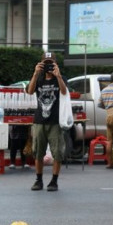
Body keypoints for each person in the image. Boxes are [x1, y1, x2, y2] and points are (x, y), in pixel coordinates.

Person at [26, 52, 68, 192]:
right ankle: (38, 180)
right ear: (41, 63)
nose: (48, 66)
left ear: (55, 64)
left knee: (57, 152)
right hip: (39, 121)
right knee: (38, 151)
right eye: (46, 63)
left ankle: (54, 181)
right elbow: (30, 91)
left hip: (55, 121)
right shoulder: (38, 78)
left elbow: (63, 92)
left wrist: (58, 75)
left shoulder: (59, 78)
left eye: (51, 63)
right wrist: (35, 74)